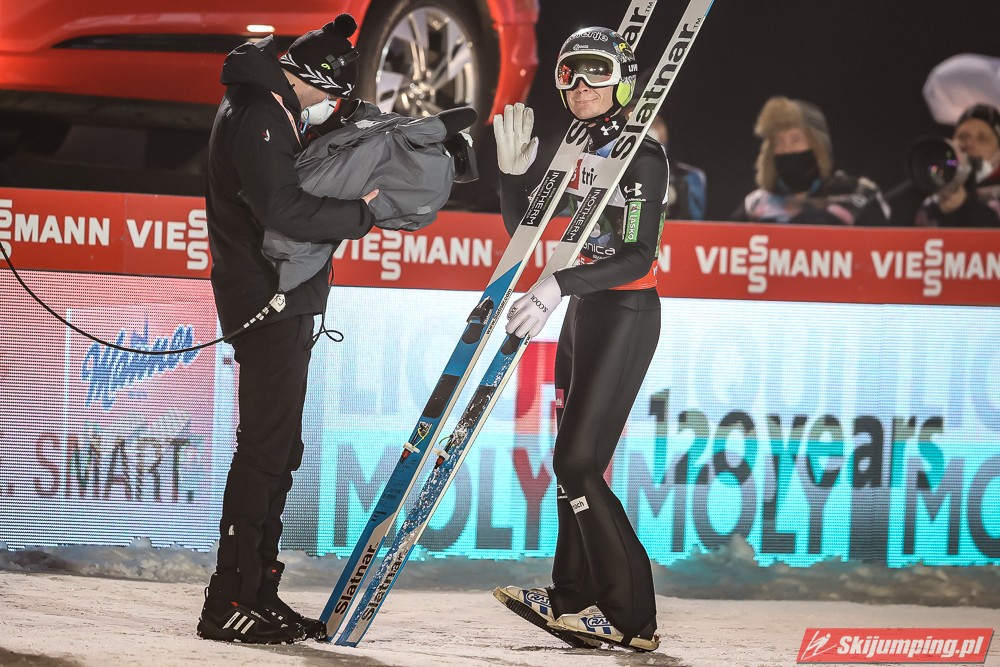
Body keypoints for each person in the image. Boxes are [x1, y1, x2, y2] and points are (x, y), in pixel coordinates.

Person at [197, 15, 378, 644]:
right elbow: (282, 208)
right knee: (264, 451)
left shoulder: (271, 108)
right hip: (266, 299)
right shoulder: (260, 112)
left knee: (279, 451)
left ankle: (257, 592)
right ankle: (229, 600)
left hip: (279, 297)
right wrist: (363, 214)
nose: (332, 108)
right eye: (331, 95)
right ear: (304, 79)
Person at [490, 25, 664, 653]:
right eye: (568, 73)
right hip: (584, 312)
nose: (581, 85)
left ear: (623, 82)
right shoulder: (577, 144)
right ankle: (571, 598)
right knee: (570, 459)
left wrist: (556, 286)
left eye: (596, 72)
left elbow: (637, 254)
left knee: (577, 463)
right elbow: (527, 226)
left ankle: (632, 617)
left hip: (625, 312)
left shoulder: (641, 154)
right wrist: (511, 176)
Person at [731, 96, 888, 225]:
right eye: (779, 142)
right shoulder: (754, 205)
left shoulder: (856, 195)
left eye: (796, 140)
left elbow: (888, 247)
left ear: (817, 145)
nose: (787, 149)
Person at [650, 114, 707, 220]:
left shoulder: (689, 176)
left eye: (655, 124)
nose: (651, 131)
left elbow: (693, 222)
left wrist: (677, 192)